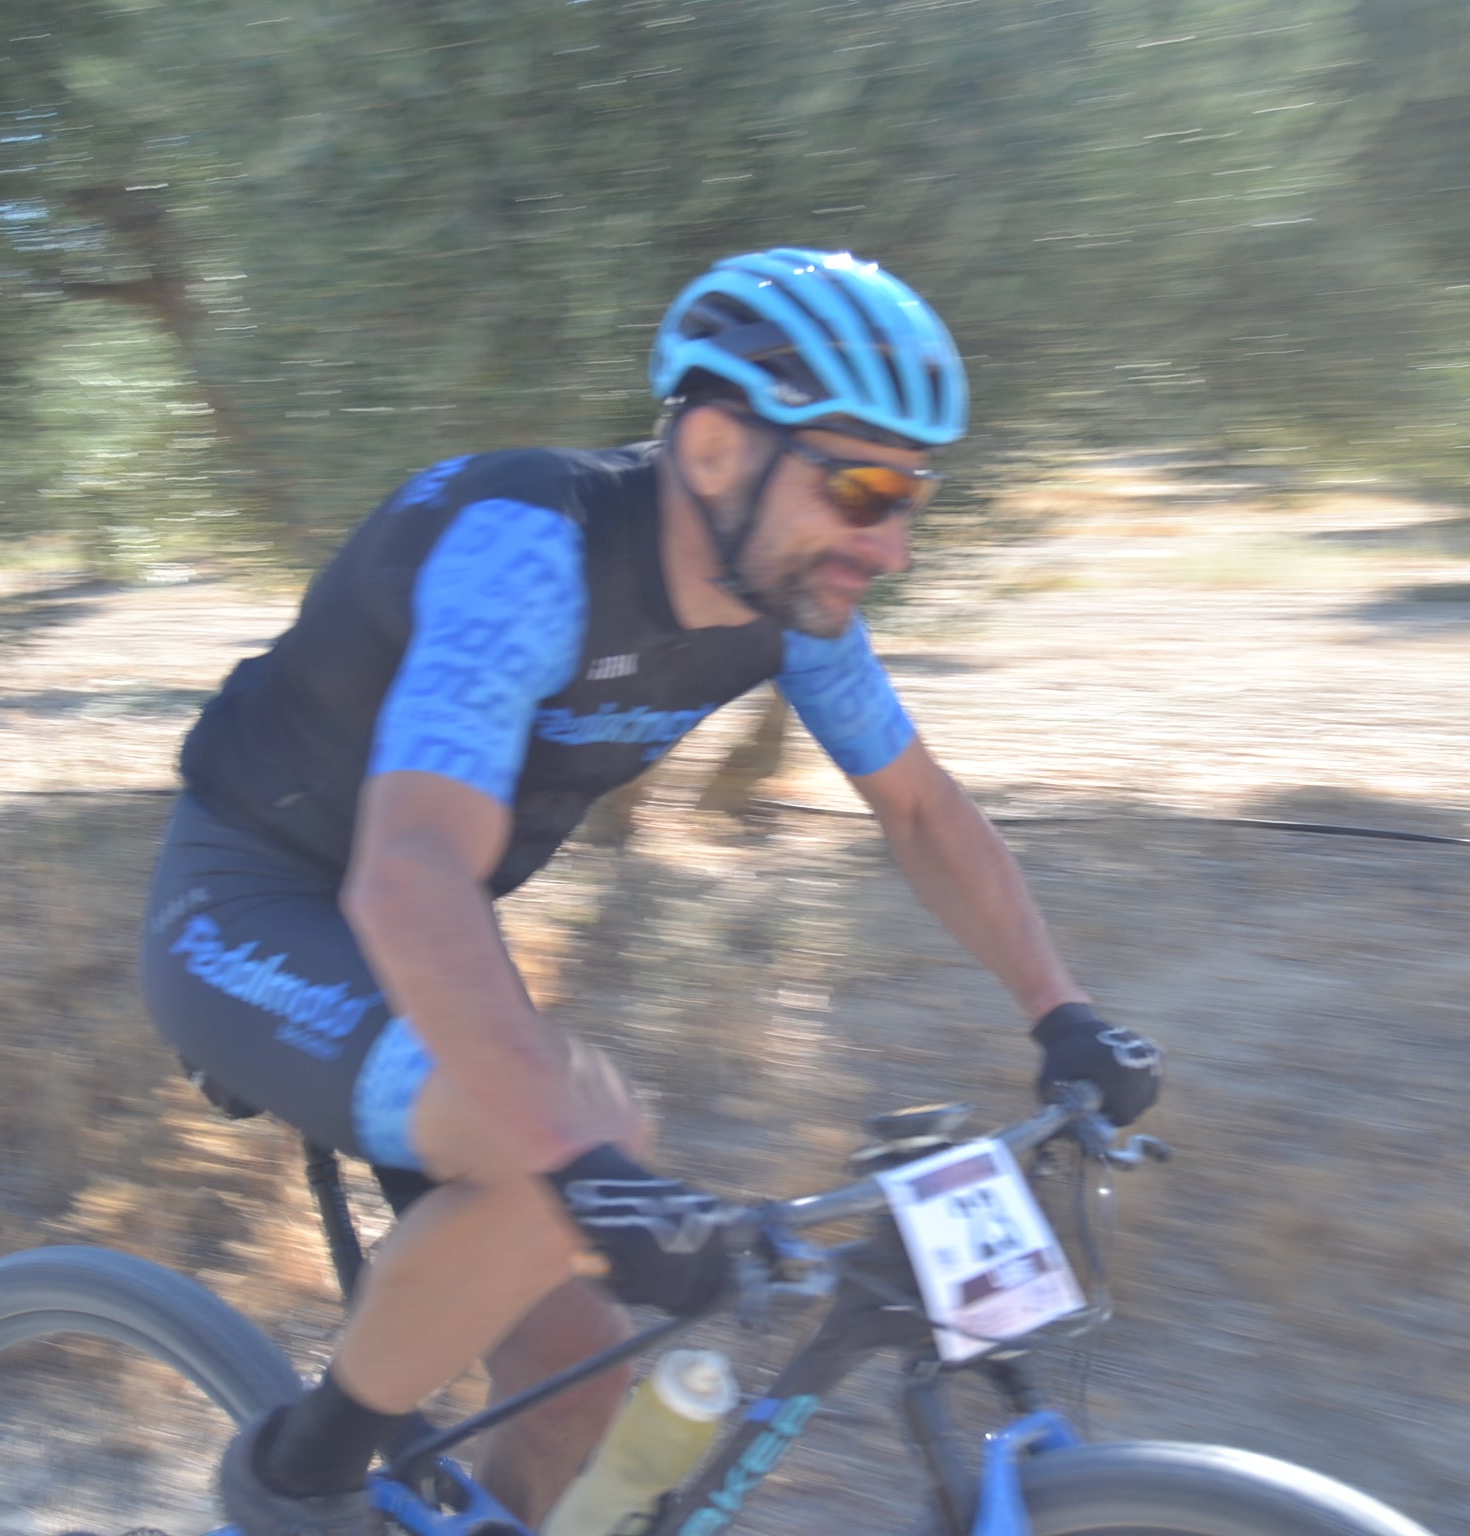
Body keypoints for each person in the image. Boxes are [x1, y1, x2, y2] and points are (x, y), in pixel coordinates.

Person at [136, 247, 1164, 1536]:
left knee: (580, 1405)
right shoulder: (530, 549)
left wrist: (1061, 1012)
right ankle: (295, 1479)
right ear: (722, 449)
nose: (890, 545)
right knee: (564, 1126)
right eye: (860, 488)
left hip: (429, 927)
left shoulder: (792, 605)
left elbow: (920, 809)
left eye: (912, 499)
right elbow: (404, 872)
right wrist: (576, 1161)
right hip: (259, 905)